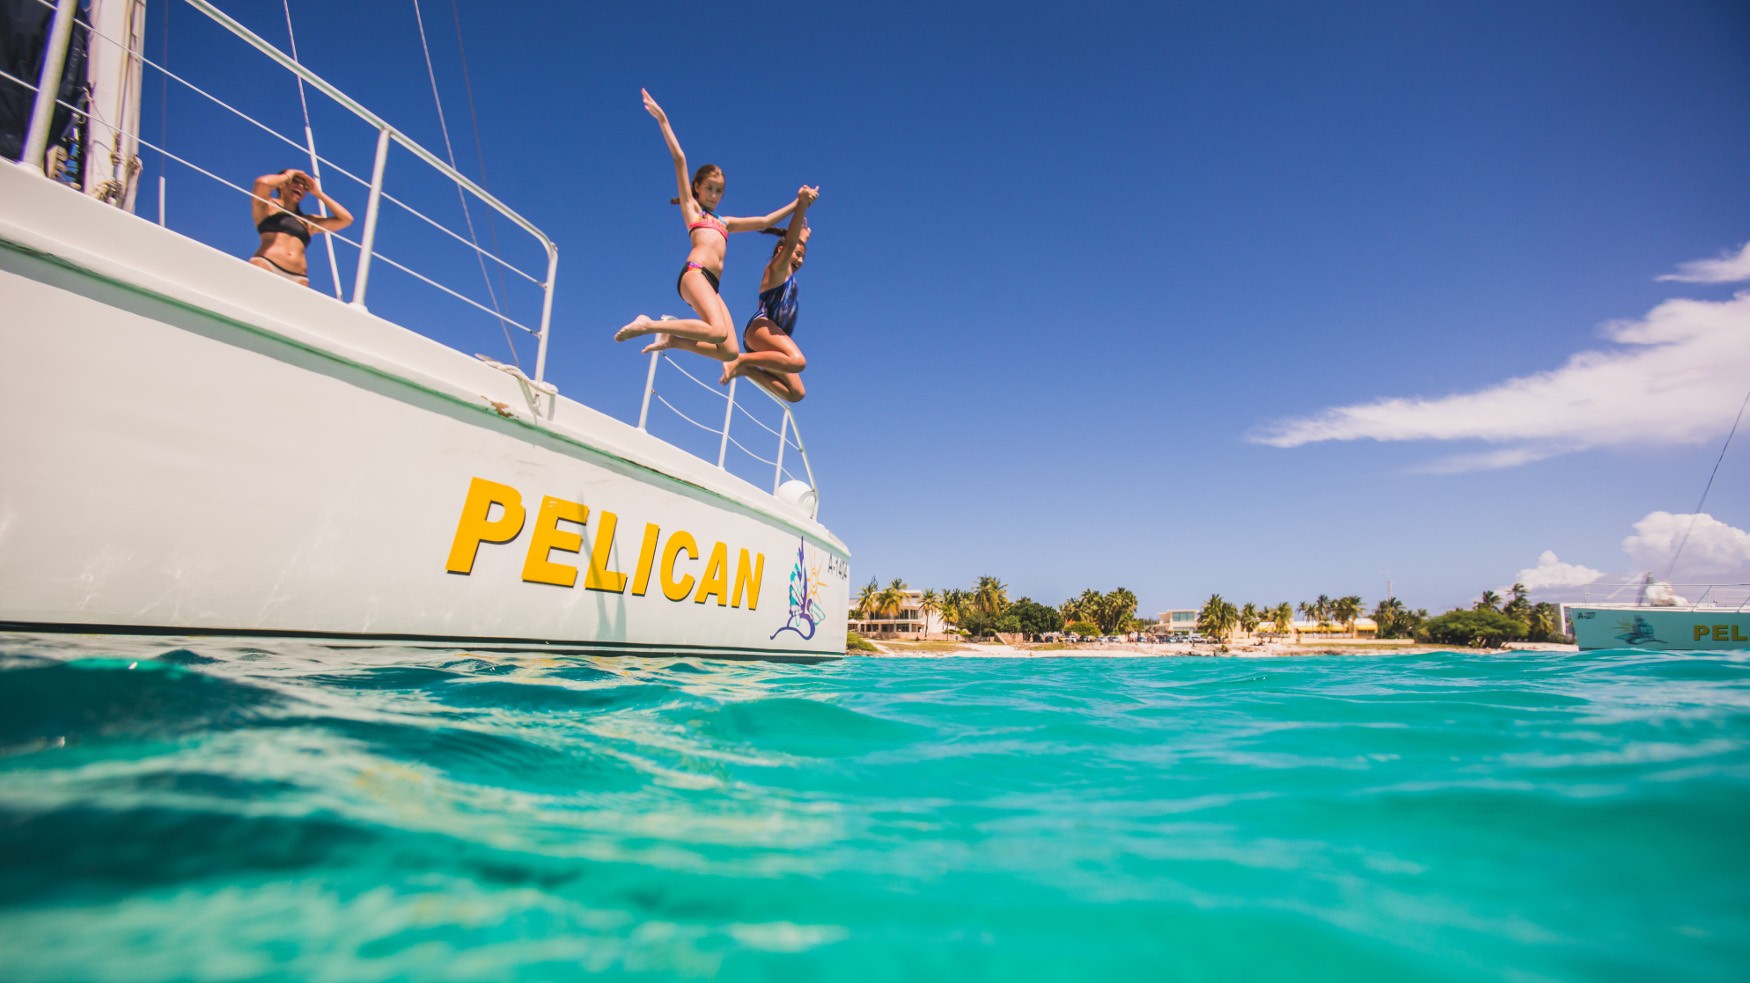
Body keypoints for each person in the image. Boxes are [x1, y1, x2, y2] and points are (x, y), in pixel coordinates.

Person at [615, 89, 806, 362]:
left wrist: (798, 203)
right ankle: (649, 324)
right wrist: (662, 119)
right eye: (710, 189)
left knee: (728, 351)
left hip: (711, 285)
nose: (714, 196)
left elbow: (764, 221)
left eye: (719, 191)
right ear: (697, 187)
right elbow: (680, 158)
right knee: (716, 331)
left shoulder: (724, 222)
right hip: (695, 273)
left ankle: (674, 339)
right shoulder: (693, 212)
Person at [720, 197, 815, 402]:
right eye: (797, 254)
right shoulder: (777, 268)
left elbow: (793, 245)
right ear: (781, 251)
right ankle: (740, 360)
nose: (799, 259)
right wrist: (802, 206)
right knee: (797, 360)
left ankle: (746, 370)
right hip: (761, 327)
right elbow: (790, 243)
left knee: (797, 393)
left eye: (803, 257)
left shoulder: (786, 272)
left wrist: (804, 238)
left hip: (768, 340)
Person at [247, 168, 351, 286]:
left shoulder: (308, 221)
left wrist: (318, 193)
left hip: (298, 277)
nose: (300, 186)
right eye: (295, 181)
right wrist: (288, 175)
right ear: (281, 185)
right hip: (266, 264)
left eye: (304, 186)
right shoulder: (266, 206)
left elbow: (346, 219)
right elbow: (262, 183)